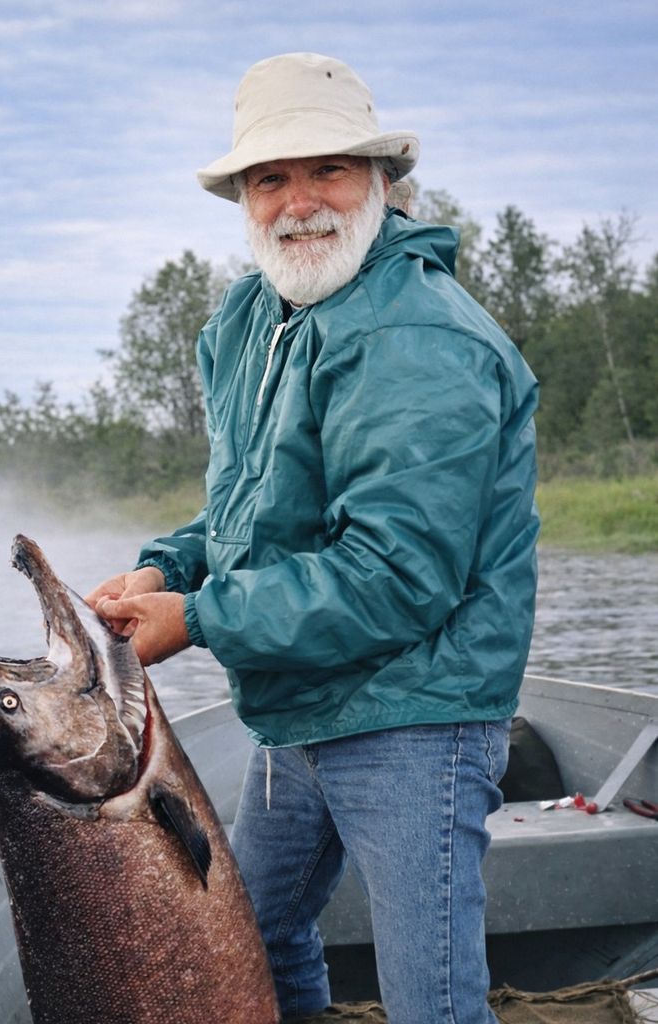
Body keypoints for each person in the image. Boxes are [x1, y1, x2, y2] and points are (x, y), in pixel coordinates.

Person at [87, 52, 539, 1024]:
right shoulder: (260, 317)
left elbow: (399, 576)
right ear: (244, 199)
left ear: (382, 181)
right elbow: (254, 501)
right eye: (269, 178)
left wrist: (198, 617)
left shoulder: (421, 338)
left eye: (327, 169)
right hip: (305, 701)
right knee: (251, 930)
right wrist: (171, 563)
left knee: (436, 1004)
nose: (299, 202)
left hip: (420, 710)